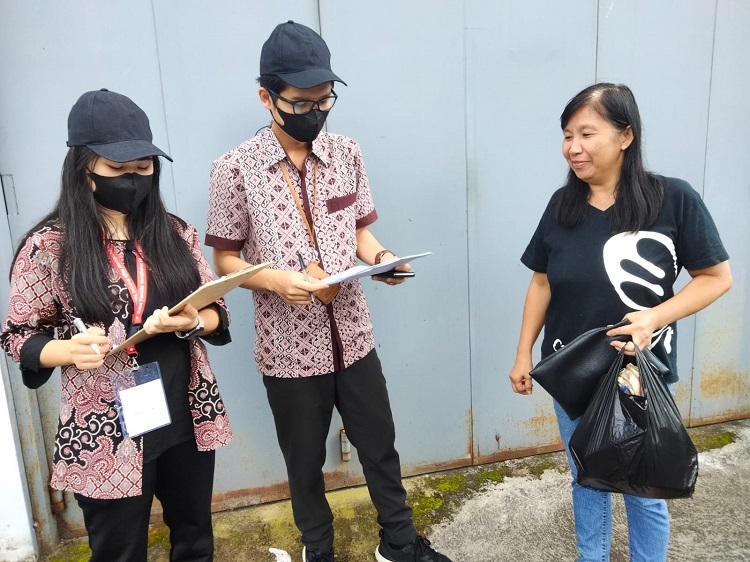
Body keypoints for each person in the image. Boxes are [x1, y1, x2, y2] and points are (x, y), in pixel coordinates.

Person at [205, 21, 452, 562]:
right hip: (288, 348)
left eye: (324, 101)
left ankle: (399, 544)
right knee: (304, 462)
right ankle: (318, 549)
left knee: (380, 446)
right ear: (266, 97)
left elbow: (360, 232)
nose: (315, 112)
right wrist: (275, 280)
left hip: (354, 336)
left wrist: (383, 260)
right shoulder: (234, 170)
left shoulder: (347, 154)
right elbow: (225, 259)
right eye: (301, 102)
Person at [0, 89, 233, 562]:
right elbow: (18, 335)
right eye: (118, 168)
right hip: (104, 424)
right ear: (84, 169)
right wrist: (67, 351)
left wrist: (196, 320)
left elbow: (216, 311)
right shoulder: (50, 247)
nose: (132, 178)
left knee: (195, 538)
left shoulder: (175, 232)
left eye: (143, 167)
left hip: (185, 409)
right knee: (119, 550)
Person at [508, 82, 732, 561]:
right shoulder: (562, 206)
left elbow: (716, 278)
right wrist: (524, 353)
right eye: (567, 135)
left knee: (643, 484)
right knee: (585, 477)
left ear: (625, 136)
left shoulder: (672, 198)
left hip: (638, 372)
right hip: (571, 370)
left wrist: (655, 316)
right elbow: (541, 283)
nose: (573, 147)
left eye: (587, 134)